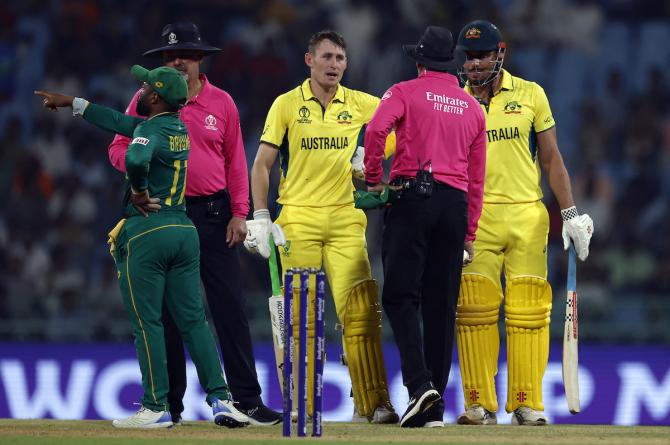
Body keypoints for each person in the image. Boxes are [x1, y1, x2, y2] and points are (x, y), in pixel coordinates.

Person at [35, 65, 249, 429]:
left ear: (154, 98)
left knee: (147, 322)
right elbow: (119, 121)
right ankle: (220, 398)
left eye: (147, 85)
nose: (141, 86)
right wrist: (73, 102)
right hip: (184, 231)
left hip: (148, 231)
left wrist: (137, 192)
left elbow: (134, 157)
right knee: (194, 321)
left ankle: (155, 406)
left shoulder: (149, 131)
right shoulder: (176, 127)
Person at [107, 22, 281, 426]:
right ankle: (168, 406)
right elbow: (118, 148)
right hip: (163, 214)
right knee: (169, 316)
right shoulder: (146, 98)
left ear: (201, 60)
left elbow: (236, 160)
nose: (176, 61)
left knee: (229, 309)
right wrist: (139, 173)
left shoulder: (222, 103)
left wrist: (240, 211)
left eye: (183, 54)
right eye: (169, 57)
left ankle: (247, 402)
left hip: (214, 215)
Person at [247, 29, 398, 424]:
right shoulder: (285, 105)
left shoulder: (362, 103)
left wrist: (372, 152)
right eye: (327, 57)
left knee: (362, 313)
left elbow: (402, 128)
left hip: (347, 219)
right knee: (303, 319)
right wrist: (260, 215)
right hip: (298, 218)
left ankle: (374, 403)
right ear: (309, 60)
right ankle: (304, 404)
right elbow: (262, 164)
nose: (335, 65)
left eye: (341, 59)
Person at [453, 20, 594, 426]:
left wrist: (569, 212)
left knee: (529, 310)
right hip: (474, 218)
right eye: (468, 56)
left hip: (526, 214)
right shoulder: (455, 100)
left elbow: (551, 159)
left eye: (481, 55)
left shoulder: (531, 94)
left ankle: (526, 402)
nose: (474, 63)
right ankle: (478, 403)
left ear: (501, 53)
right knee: (474, 309)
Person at [364, 25, 487, 428]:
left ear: (419, 63)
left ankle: (420, 388)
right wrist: (469, 233)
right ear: (450, 63)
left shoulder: (404, 91)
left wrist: (372, 178)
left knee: (401, 297)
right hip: (454, 206)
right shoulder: (472, 108)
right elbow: (477, 178)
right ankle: (432, 406)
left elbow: (376, 130)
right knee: (440, 305)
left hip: (413, 196)